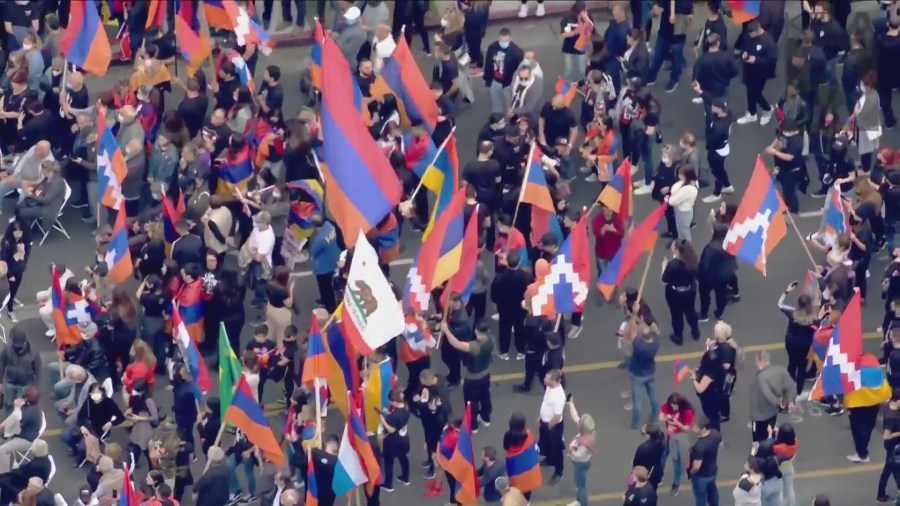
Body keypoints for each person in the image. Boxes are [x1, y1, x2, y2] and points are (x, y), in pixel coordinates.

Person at [441, 319, 494, 432]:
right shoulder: (490, 340)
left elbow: (456, 344)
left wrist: (446, 330)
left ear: (476, 331)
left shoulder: (474, 346)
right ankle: (485, 418)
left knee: (471, 402)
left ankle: (473, 425)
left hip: (473, 379)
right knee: (485, 397)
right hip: (486, 375)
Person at [778, 282, 819, 396]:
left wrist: (786, 292)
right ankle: (799, 388)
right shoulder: (814, 319)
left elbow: (780, 304)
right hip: (805, 345)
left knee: (792, 363)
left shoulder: (792, 313)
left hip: (791, 341)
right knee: (802, 366)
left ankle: (788, 385)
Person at [736, 20, 778, 126]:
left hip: (761, 73)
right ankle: (752, 112)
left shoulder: (768, 41)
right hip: (749, 69)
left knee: (756, 93)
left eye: (751, 33)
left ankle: (767, 109)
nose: (749, 35)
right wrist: (744, 53)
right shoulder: (748, 35)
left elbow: (772, 59)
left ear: (757, 30)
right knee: (749, 90)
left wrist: (756, 60)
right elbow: (744, 46)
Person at [749, 351, 796, 445]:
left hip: (759, 412)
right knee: (771, 428)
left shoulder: (761, 377)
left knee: (757, 435)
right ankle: (771, 445)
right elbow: (791, 386)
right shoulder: (781, 370)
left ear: (761, 361)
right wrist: (790, 401)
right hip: (773, 411)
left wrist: (779, 403)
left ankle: (757, 452)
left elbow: (767, 394)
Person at [662, 239, 701, 345]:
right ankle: (695, 332)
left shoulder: (673, 265)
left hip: (675, 294)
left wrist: (664, 267)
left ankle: (678, 337)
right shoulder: (693, 260)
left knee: (676, 316)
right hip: (689, 290)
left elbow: (665, 279)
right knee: (690, 311)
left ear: (678, 251)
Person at [659, 393, 694, 496]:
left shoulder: (687, 411)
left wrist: (677, 424)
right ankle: (659, 476)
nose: (674, 407)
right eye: (672, 404)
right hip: (668, 438)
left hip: (679, 441)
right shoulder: (668, 405)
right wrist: (666, 417)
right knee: (662, 458)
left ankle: (676, 483)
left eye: (676, 405)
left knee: (677, 464)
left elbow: (687, 428)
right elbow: (660, 416)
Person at [0, 385, 40, 473]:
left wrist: (17, 408)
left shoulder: (30, 412)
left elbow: (16, 423)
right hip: (21, 433)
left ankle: (4, 473)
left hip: (25, 439)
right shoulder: (29, 406)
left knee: (2, 450)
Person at [484, 29, 524, 115]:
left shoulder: (517, 52)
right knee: (496, 102)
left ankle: (510, 121)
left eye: (506, 40)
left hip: (508, 84)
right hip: (495, 81)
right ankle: (497, 119)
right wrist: (487, 80)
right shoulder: (492, 48)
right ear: (498, 38)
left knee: (510, 104)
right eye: (501, 40)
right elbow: (488, 64)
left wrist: (516, 85)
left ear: (510, 39)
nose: (503, 42)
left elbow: (520, 70)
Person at [538, 369, 566, 485]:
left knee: (557, 449)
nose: (544, 379)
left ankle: (559, 472)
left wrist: (548, 427)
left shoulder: (558, 397)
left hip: (553, 426)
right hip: (546, 423)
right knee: (547, 444)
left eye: (547, 378)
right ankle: (550, 459)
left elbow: (557, 416)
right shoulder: (550, 387)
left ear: (555, 381)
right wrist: (541, 417)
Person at [565, 398, 594, 506]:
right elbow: (575, 417)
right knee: (579, 483)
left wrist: (571, 450)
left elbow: (578, 455)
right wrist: (571, 404)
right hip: (582, 462)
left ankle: (583, 503)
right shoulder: (587, 431)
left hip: (580, 464)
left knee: (580, 486)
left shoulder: (586, 442)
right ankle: (579, 500)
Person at [689, 417, 722, 506]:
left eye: (697, 427)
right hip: (713, 469)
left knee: (700, 496)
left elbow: (696, 466)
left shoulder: (699, 445)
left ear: (703, 428)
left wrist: (691, 472)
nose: (694, 427)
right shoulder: (715, 433)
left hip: (702, 475)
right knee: (713, 490)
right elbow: (719, 446)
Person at [667, 165, 699, 243]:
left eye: (681, 174)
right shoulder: (691, 182)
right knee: (682, 230)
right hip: (686, 211)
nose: (678, 176)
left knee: (683, 232)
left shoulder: (688, 189)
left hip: (683, 212)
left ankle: (686, 248)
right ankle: (683, 246)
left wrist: (670, 197)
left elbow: (672, 201)